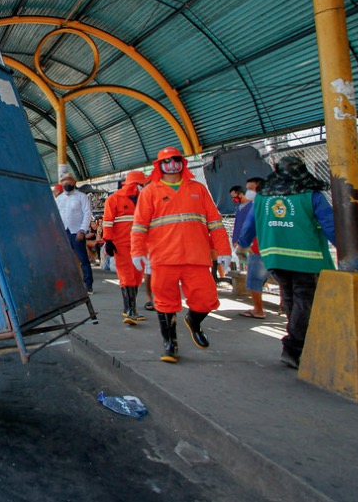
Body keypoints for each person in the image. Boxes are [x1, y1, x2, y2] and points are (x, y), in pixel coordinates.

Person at [130, 147, 231, 363]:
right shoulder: (150, 191)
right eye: (167, 161)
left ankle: (194, 321)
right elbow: (139, 225)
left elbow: (215, 222)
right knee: (165, 302)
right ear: (159, 166)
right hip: (164, 258)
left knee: (206, 300)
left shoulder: (198, 189)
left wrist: (224, 250)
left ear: (182, 163)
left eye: (176, 160)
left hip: (196, 256)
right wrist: (137, 250)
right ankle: (170, 344)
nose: (172, 164)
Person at [237, 157, 336, 370]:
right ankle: (295, 346)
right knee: (303, 298)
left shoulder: (263, 197)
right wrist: (346, 250)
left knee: (290, 296)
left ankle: (294, 340)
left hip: (275, 257)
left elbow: (250, 224)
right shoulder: (312, 195)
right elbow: (330, 223)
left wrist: (242, 245)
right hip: (307, 259)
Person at [102, 170, 148, 324]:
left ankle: (129, 308)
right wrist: (108, 240)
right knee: (127, 275)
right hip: (121, 244)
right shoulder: (114, 199)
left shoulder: (145, 199)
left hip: (141, 244)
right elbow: (108, 220)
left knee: (137, 275)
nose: (143, 186)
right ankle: (131, 311)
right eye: (141, 183)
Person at [230, 181, 267, 319]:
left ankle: (259, 310)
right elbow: (239, 225)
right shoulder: (241, 207)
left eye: (251, 188)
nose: (248, 192)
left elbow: (248, 226)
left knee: (254, 279)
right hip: (269, 247)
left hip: (257, 247)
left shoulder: (256, 204)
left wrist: (243, 244)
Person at [56, 172, 95, 294]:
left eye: (69, 181)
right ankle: (69, 283)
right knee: (65, 259)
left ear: (74, 182)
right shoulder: (59, 199)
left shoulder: (81, 196)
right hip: (64, 232)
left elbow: (87, 213)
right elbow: (56, 215)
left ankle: (88, 284)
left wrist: (82, 230)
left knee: (83, 259)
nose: (67, 183)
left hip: (77, 232)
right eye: (65, 181)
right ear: (62, 183)